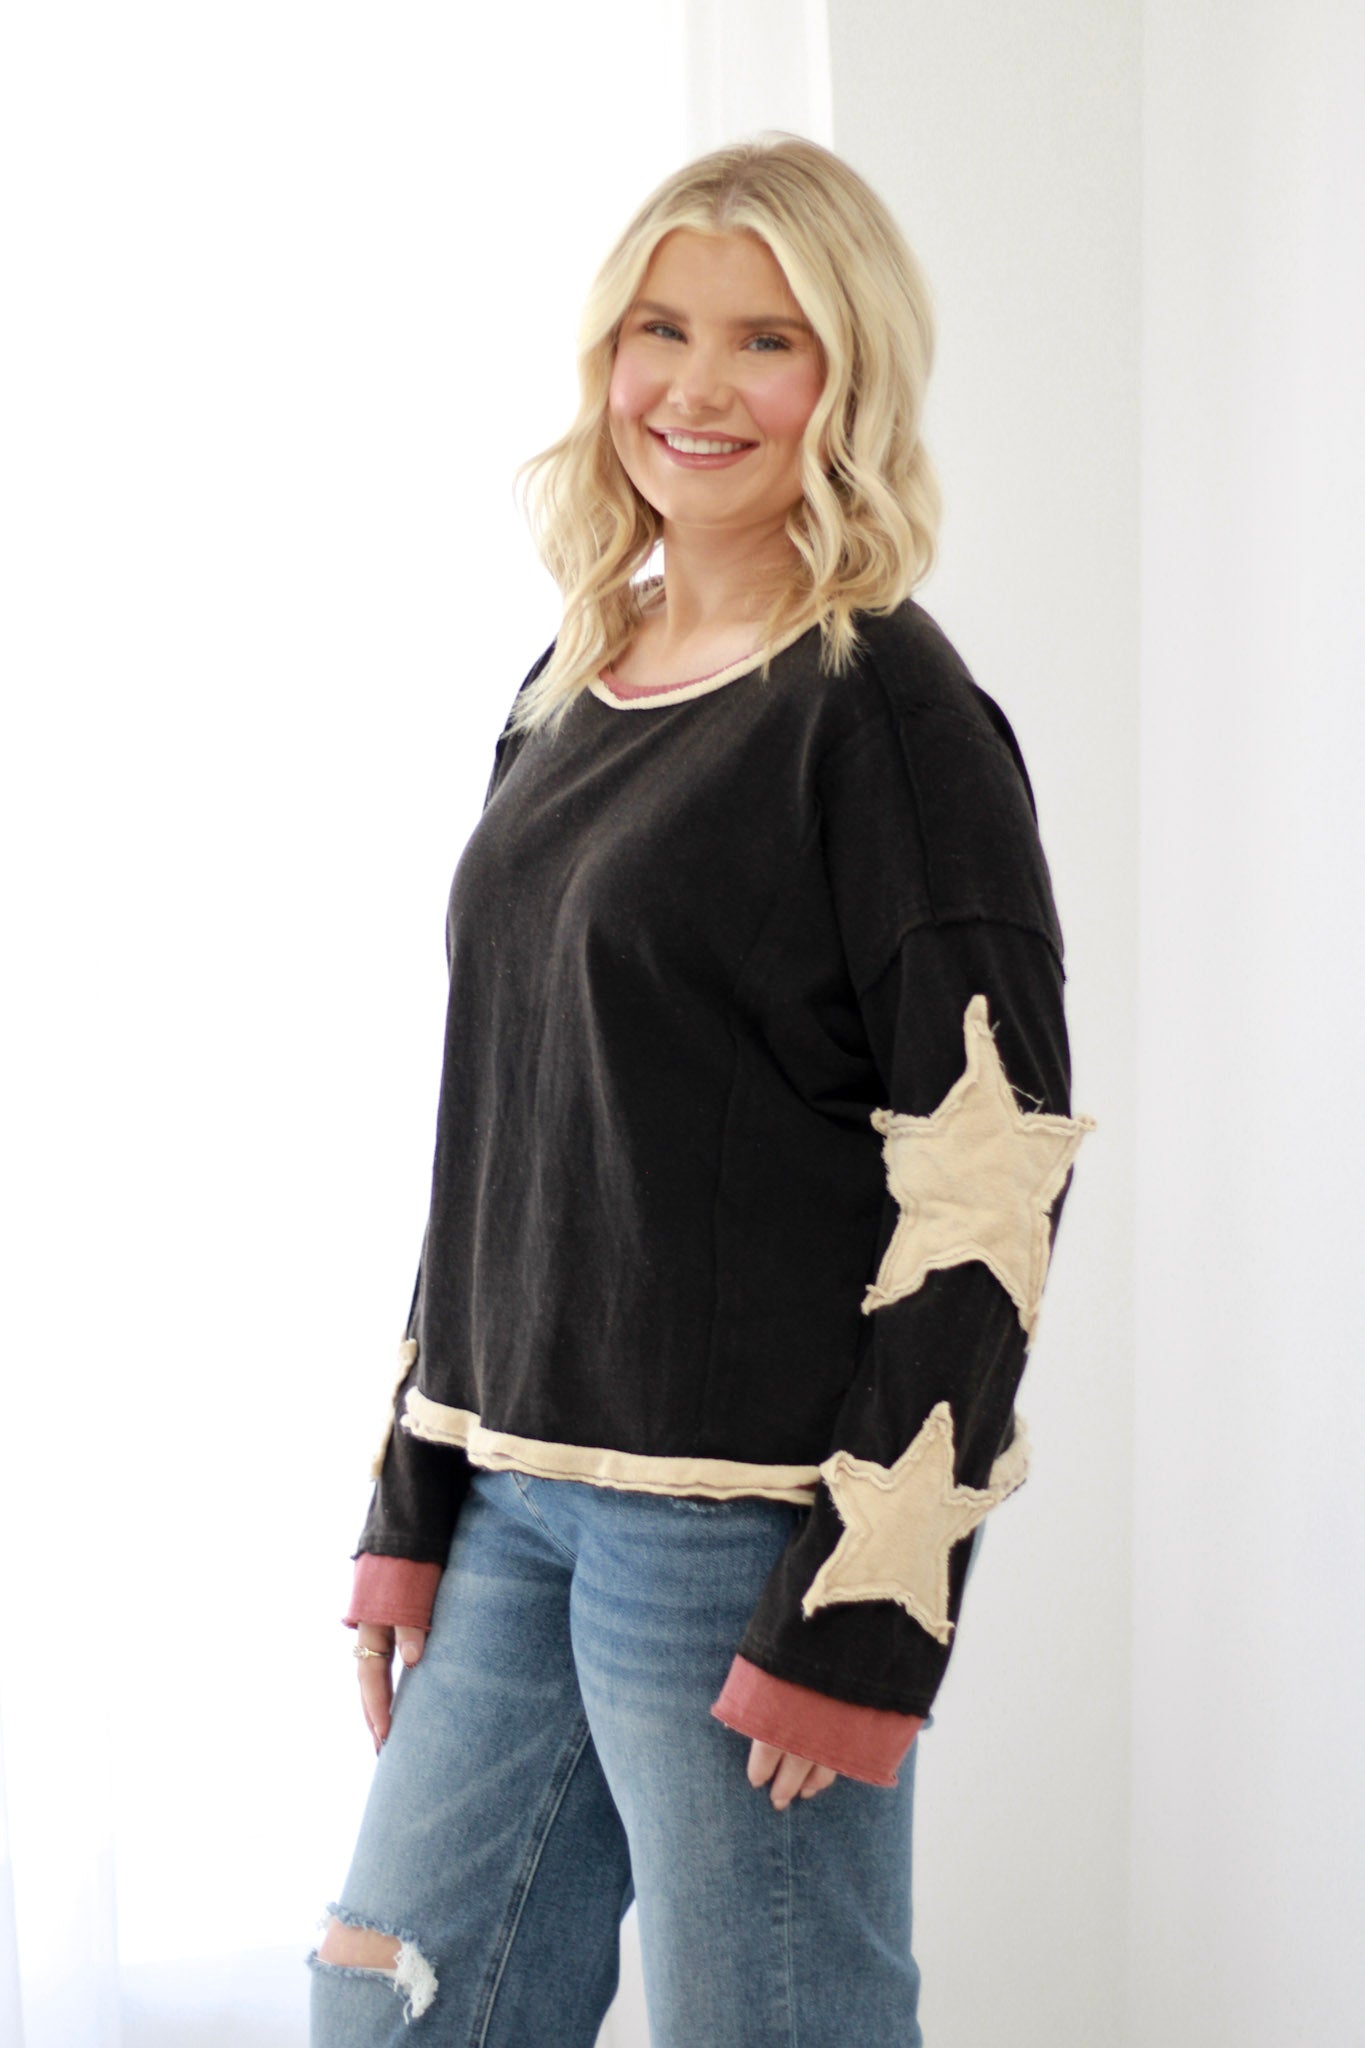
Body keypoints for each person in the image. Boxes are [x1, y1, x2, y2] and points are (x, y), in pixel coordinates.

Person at [308, 133, 1091, 2048]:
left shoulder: (887, 713)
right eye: (659, 329)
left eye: (766, 339)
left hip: (741, 1528)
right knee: (391, 2010)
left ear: (850, 375)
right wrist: (413, 1490)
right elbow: (501, 1120)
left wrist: (873, 1603)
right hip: (510, 1500)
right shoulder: (570, 682)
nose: (697, 386)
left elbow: (990, 1176)